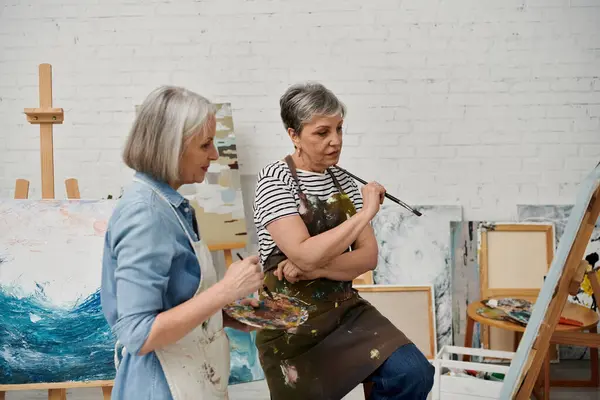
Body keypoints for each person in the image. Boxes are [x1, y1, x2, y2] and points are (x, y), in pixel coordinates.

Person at [252, 82, 435, 399]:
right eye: (322, 133)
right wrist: (364, 215)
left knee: (413, 372)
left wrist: (316, 270)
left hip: (344, 311)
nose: (335, 141)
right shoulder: (275, 179)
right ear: (294, 134)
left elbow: (367, 259)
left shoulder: (344, 182)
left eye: (339, 129)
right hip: (289, 320)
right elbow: (304, 253)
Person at [100, 85, 264, 400]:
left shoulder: (169, 206)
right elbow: (139, 333)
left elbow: (173, 303)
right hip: (162, 387)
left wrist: (226, 315)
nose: (215, 154)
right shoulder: (145, 215)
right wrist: (226, 290)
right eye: (205, 144)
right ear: (171, 147)